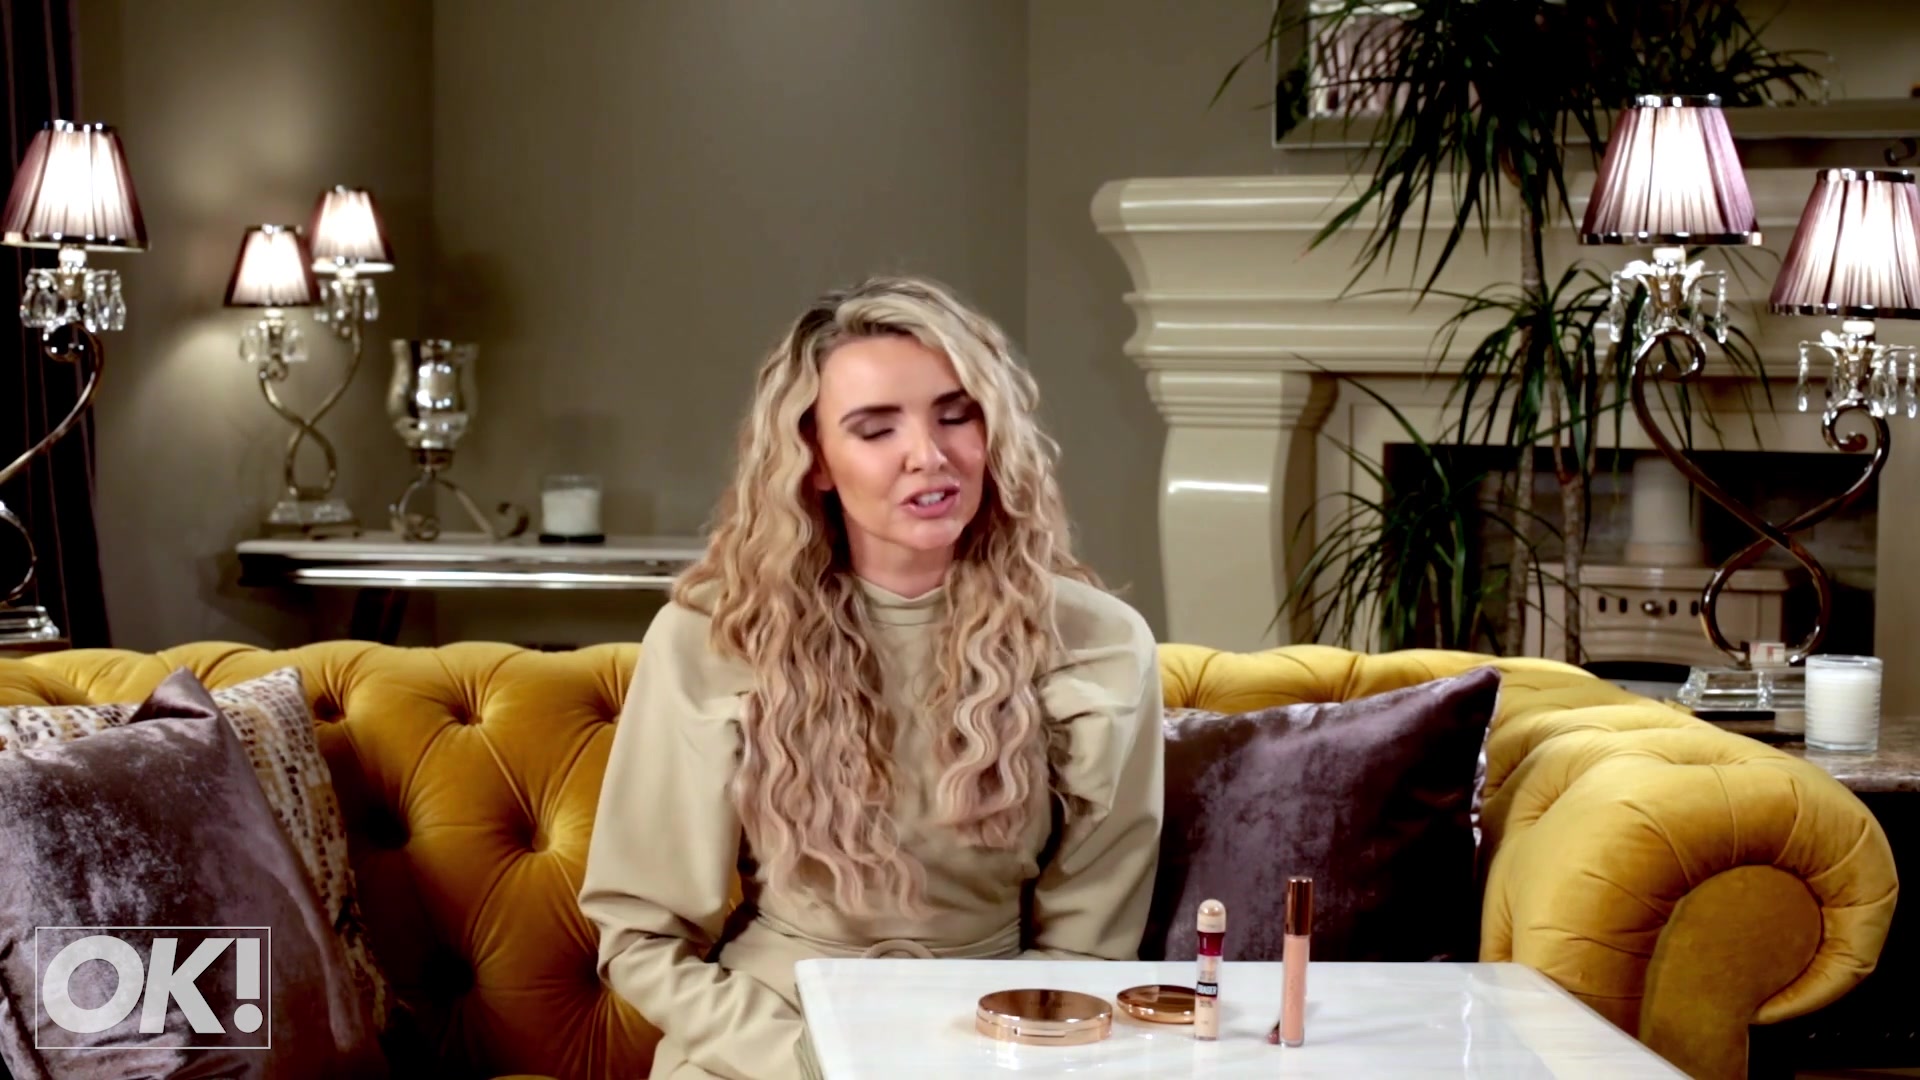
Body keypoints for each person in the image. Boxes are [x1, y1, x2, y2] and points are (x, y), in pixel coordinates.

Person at [578, 275, 1165, 1080]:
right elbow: (642, 938)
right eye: (875, 428)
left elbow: (1087, 947)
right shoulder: (710, 636)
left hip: (996, 1043)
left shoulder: (1101, 644)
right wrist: (811, 1061)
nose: (929, 455)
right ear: (816, 460)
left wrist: (988, 1059)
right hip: (766, 1040)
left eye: (956, 415)